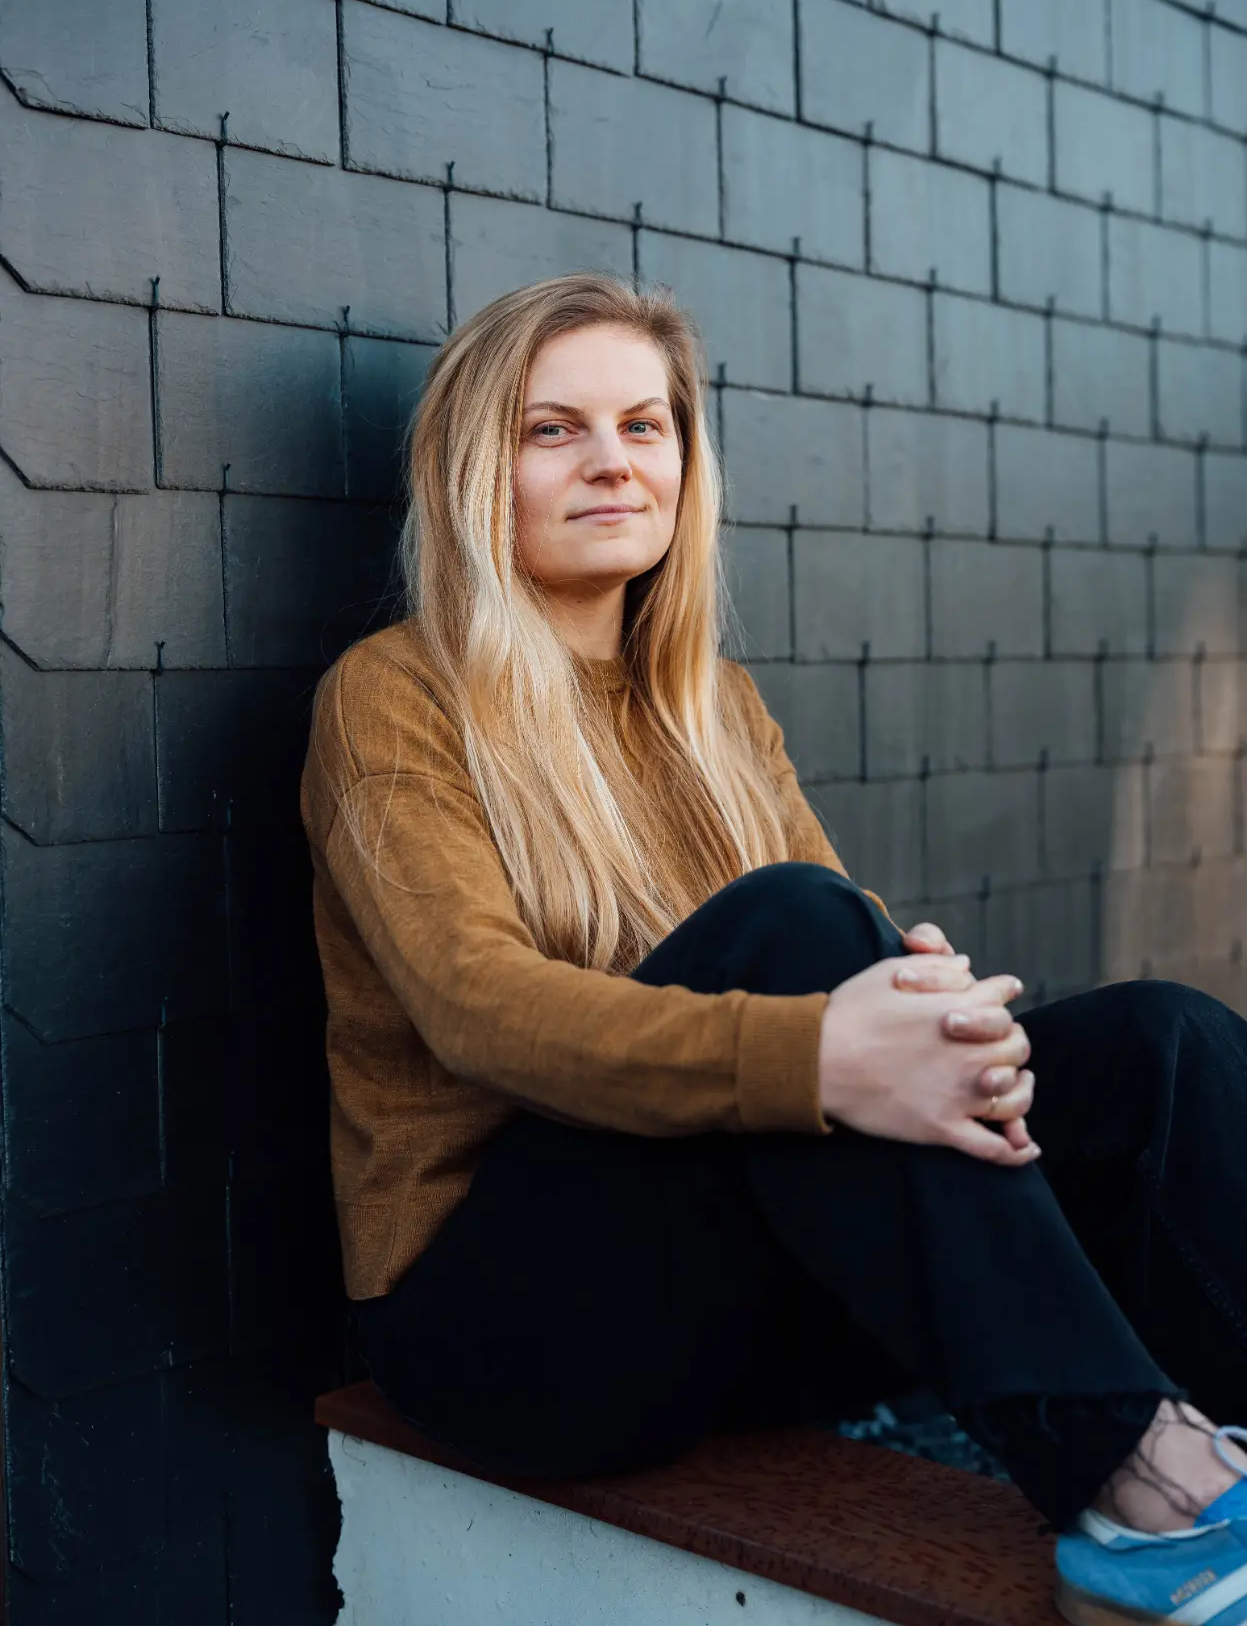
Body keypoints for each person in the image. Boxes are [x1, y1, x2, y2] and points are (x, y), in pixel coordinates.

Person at [300, 272, 1247, 1626]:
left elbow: (844, 968)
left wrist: (934, 1020)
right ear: (472, 469)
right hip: (507, 1334)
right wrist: (825, 1040)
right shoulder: (392, 696)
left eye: (645, 423)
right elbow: (478, 1008)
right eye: (550, 429)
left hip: (745, 1306)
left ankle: (1222, 1476)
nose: (613, 460)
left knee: (1158, 1039)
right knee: (799, 925)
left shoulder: (712, 705)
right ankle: (1141, 1494)